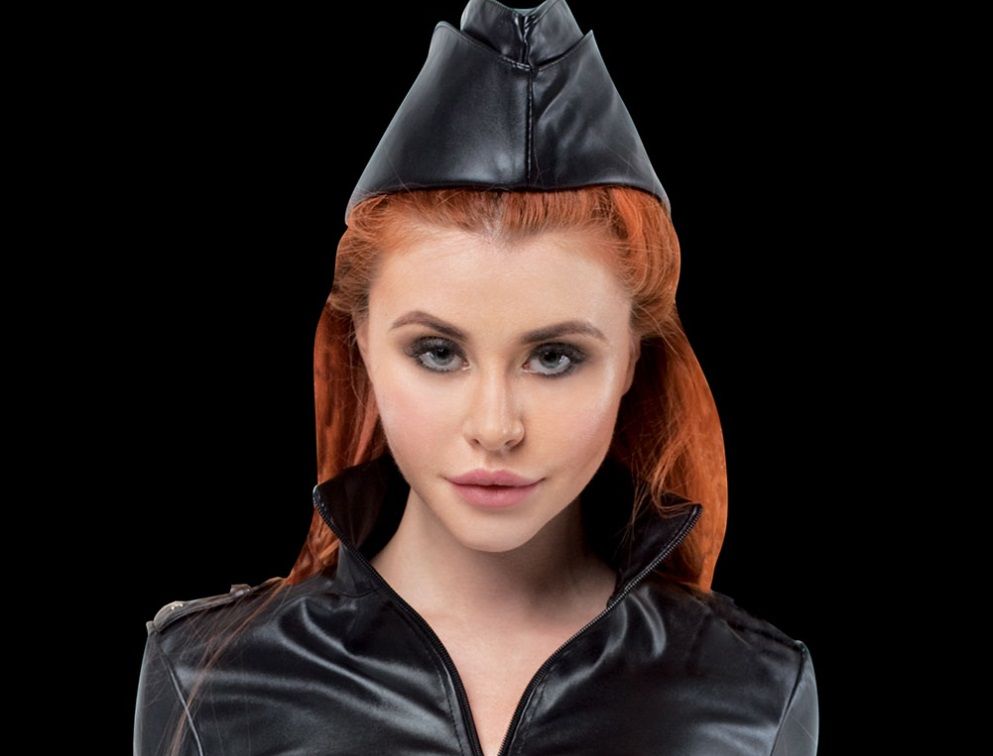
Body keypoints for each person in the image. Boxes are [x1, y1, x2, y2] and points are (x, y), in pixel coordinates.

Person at [133, 1, 819, 754]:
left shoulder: (753, 696)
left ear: (632, 357)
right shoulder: (209, 682)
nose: (495, 428)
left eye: (554, 357)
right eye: (437, 352)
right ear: (360, 345)